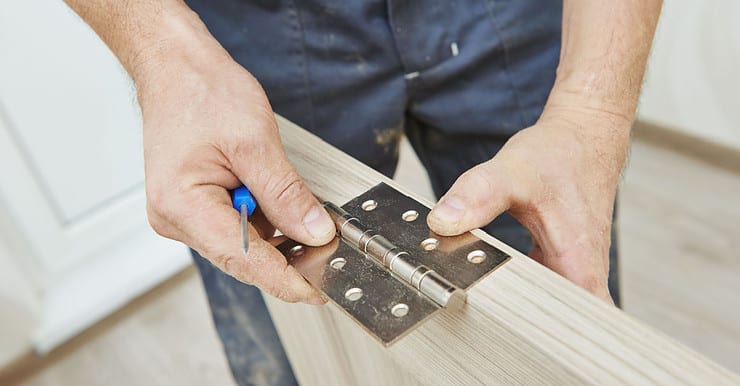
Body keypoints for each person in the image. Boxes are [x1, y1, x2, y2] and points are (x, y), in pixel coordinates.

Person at [64, 1, 662, 384]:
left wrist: (591, 109)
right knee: (286, 311)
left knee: (550, 318)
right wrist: (165, 52)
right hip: (252, 23)